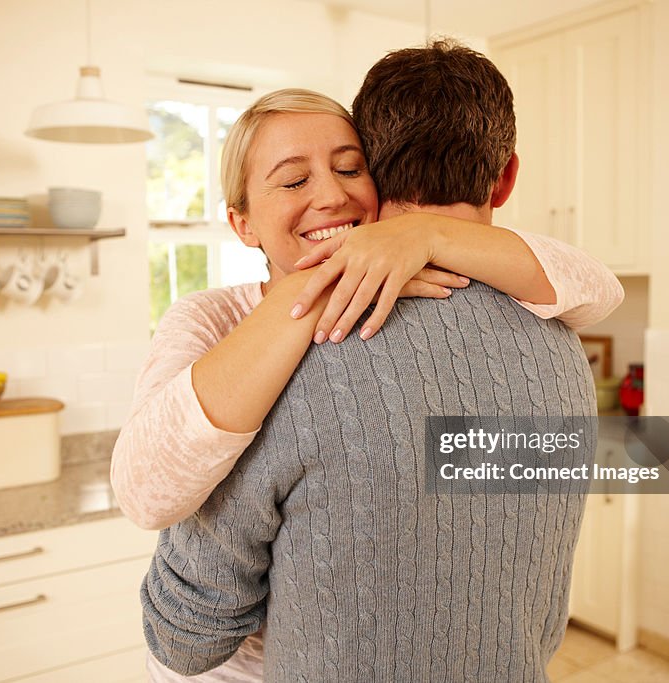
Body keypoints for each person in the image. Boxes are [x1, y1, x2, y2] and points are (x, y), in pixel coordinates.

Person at [138, 41, 605, 682]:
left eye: (345, 169)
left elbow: (186, 634)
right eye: (294, 179)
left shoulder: (316, 366)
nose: (327, 197)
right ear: (506, 177)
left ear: (377, 178)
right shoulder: (562, 347)